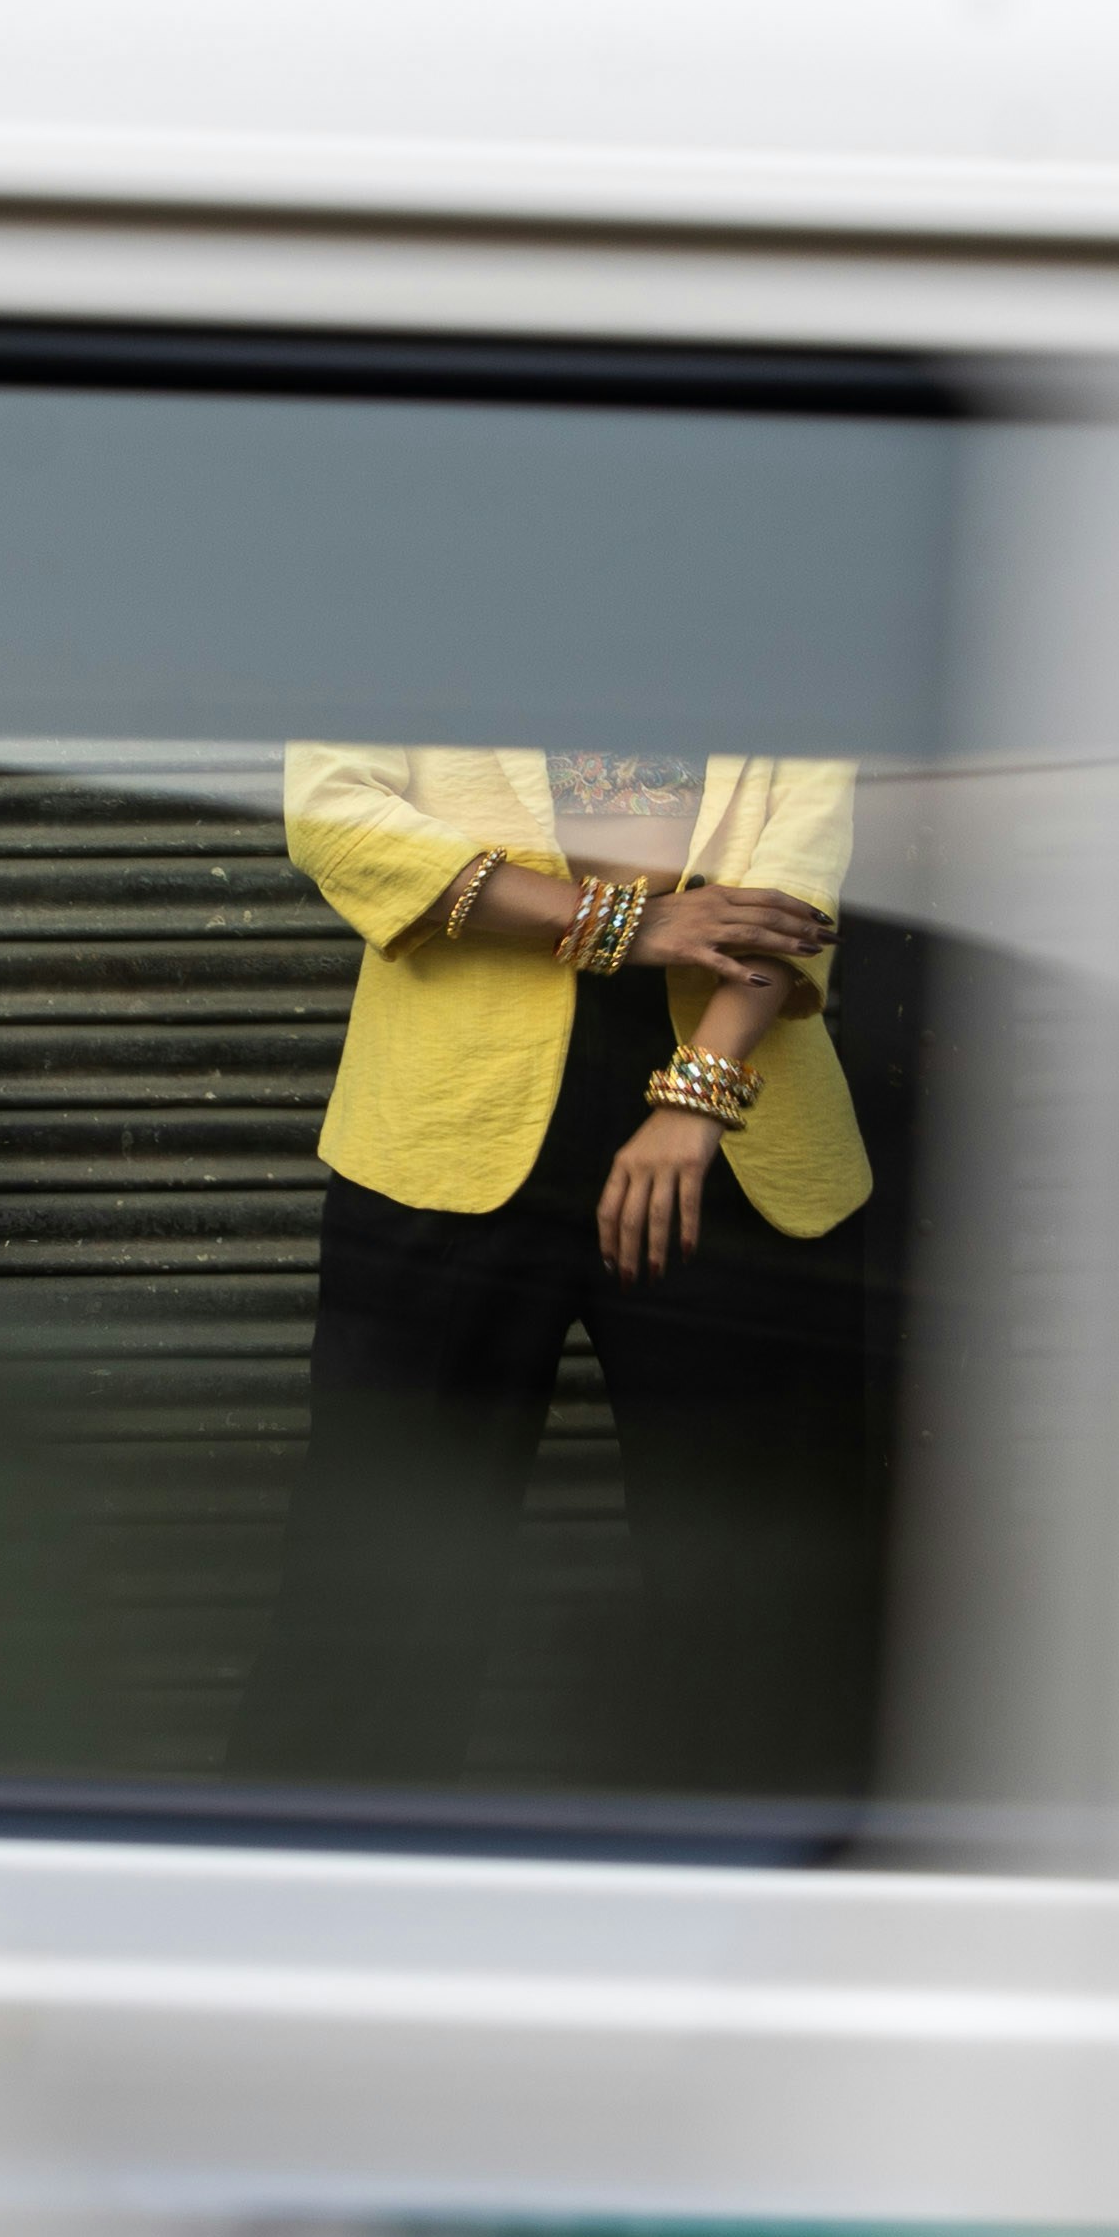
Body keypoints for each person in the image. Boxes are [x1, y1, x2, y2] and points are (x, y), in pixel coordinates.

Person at [237, 745, 883, 1805]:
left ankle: (752, 1926)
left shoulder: (774, 620)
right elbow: (333, 814)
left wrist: (694, 1101)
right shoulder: (410, 593)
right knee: (384, 1580)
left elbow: (795, 883)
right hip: (446, 1139)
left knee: (752, 1595)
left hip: (737, 1146)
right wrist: (632, 924)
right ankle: (321, 1909)